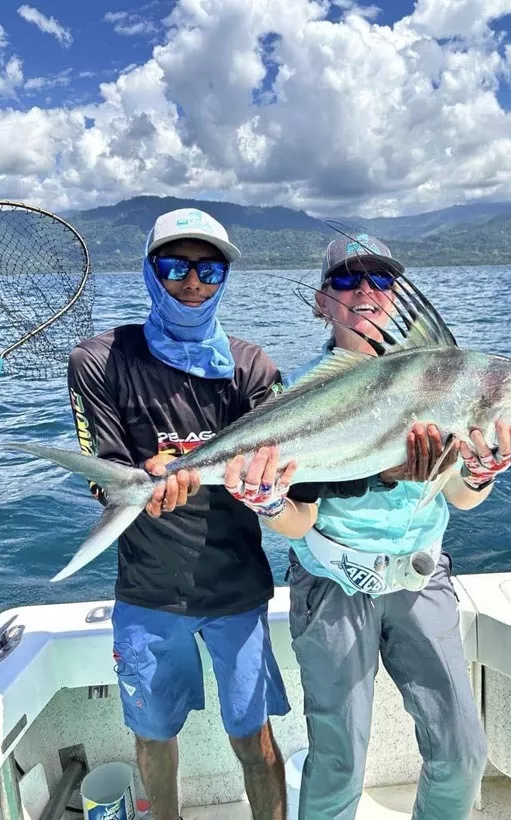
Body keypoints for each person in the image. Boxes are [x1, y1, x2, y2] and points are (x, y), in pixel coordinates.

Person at [225, 233, 511, 820]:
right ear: (321, 300)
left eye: (381, 279)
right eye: (345, 279)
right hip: (331, 584)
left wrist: (482, 470)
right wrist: (266, 504)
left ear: (397, 296)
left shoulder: (446, 378)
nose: (364, 290)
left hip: (421, 578)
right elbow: (299, 519)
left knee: (463, 750)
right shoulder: (301, 394)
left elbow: (462, 498)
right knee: (338, 758)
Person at [67, 207, 304, 820]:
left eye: (209, 268)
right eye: (175, 266)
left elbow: (280, 458)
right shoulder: (99, 359)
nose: (193, 281)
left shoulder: (254, 368)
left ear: (224, 277)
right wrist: (140, 482)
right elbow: (106, 473)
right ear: (150, 271)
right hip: (147, 592)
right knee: (153, 737)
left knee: (255, 739)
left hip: (236, 588)